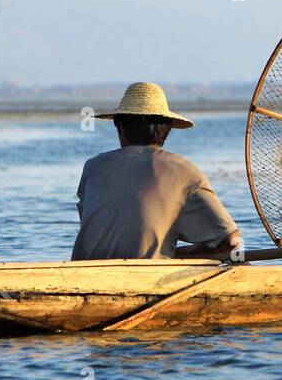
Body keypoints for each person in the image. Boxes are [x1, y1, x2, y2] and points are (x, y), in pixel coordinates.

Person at [72, 82, 241, 261]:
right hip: (146, 277)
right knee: (240, 261)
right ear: (167, 129)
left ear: (120, 127)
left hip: (84, 272)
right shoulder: (183, 170)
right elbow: (232, 243)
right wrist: (175, 255)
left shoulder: (93, 167)